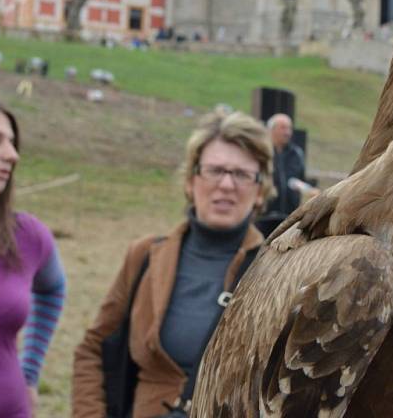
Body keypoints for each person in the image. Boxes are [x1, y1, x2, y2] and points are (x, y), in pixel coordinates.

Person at [72, 110, 273, 417]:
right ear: (192, 181)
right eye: (215, 170)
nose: (227, 185)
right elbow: (93, 349)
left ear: (260, 191)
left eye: (242, 174)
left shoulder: (276, 271)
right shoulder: (143, 257)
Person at [0, 97, 66, 418]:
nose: (12, 155)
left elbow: (53, 289)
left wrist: (30, 370)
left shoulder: (28, 236)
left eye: (13, 143)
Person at [265, 113, 306, 217]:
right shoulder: (262, 152)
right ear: (271, 130)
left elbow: (302, 179)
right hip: (264, 216)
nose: (287, 132)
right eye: (283, 128)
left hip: (289, 216)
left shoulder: (297, 154)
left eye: (289, 128)